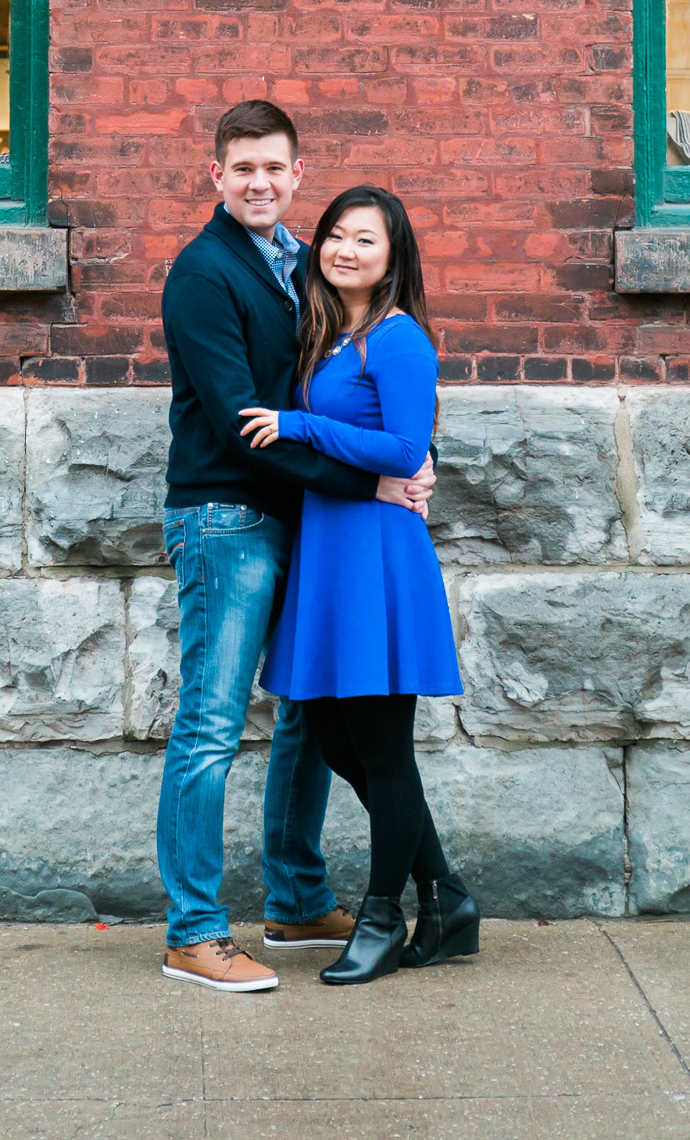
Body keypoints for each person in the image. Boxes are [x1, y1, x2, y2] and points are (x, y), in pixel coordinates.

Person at [158, 103, 436, 994]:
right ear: (215, 176)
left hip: (300, 516)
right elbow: (249, 426)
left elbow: (368, 399)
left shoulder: (290, 265)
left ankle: (295, 896)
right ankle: (194, 932)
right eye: (242, 169)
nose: (259, 184)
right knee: (211, 724)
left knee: (308, 717)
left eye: (274, 170)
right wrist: (374, 484)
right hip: (227, 517)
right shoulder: (205, 274)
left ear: (297, 175)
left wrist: (399, 465)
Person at [242, 185, 477, 986]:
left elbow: (407, 447)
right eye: (335, 236)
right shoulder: (330, 336)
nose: (345, 250)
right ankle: (444, 896)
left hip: (378, 552)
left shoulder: (398, 338)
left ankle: (384, 916)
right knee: (343, 740)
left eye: (365, 241)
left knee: (380, 746)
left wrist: (300, 423)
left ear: (393, 256)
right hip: (332, 547)